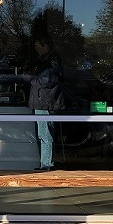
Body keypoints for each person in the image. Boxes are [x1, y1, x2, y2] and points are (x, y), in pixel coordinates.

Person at [23, 33, 64, 170]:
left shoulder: (51, 60)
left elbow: (47, 80)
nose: (36, 49)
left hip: (45, 101)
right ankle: (45, 164)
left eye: (37, 46)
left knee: (45, 134)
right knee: (44, 133)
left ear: (45, 45)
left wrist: (30, 78)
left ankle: (47, 165)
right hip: (42, 101)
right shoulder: (47, 59)